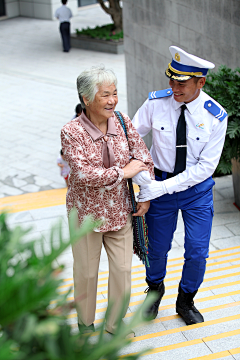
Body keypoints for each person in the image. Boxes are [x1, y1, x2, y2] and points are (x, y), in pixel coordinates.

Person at [132, 46, 228, 326]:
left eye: (182, 83)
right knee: (157, 249)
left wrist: (162, 188)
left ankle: (186, 299)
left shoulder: (216, 116)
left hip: (196, 192)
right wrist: (143, 178)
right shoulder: (155, 103)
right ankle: (154, 290)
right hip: (158, 186)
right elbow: (131, 141)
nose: (174, 87)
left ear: (201, 82)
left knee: (197, 251)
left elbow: (206, 168)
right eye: (171, 80)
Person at [61, 66, 154, 336]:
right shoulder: (72, 132)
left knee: (123, 272)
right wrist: (123, 172)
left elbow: (144, 158)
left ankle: (115, 324)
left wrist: (144, 195)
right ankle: (85, 324)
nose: (112, 100)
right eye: (105, 95)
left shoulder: (123, 121)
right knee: (87, 274)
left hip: (121, 211)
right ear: (86, 98)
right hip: (86, 215)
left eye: (115, 93)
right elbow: (83, 173)